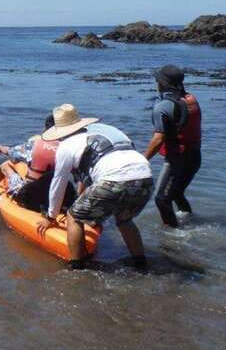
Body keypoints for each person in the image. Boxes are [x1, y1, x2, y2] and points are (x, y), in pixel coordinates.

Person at [37, 104, 153, 271]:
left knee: (74, 216)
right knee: (124, 219)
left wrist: (51, 216)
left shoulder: (66, 145)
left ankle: (77, 268)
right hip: (145, 177)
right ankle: (141, 264)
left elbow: (58, 183)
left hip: (113, 179)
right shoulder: (108, 130)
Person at [0, 114, 76, 212]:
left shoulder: (35, 144)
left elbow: (13, 153)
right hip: (61, 199)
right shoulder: (72, 149)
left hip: (31, 198)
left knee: (5, 166)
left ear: (46, 130)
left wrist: (1, 148)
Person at [143, 65, 202, 228]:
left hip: (178, 160)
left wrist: (142, 159)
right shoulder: (191, 99)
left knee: (161, 199)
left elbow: (158, 138)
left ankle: (173, 237)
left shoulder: (162, 106)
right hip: (195, 158)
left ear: (162, 83)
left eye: (158, 80)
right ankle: (190, 222)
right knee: (176, 193)